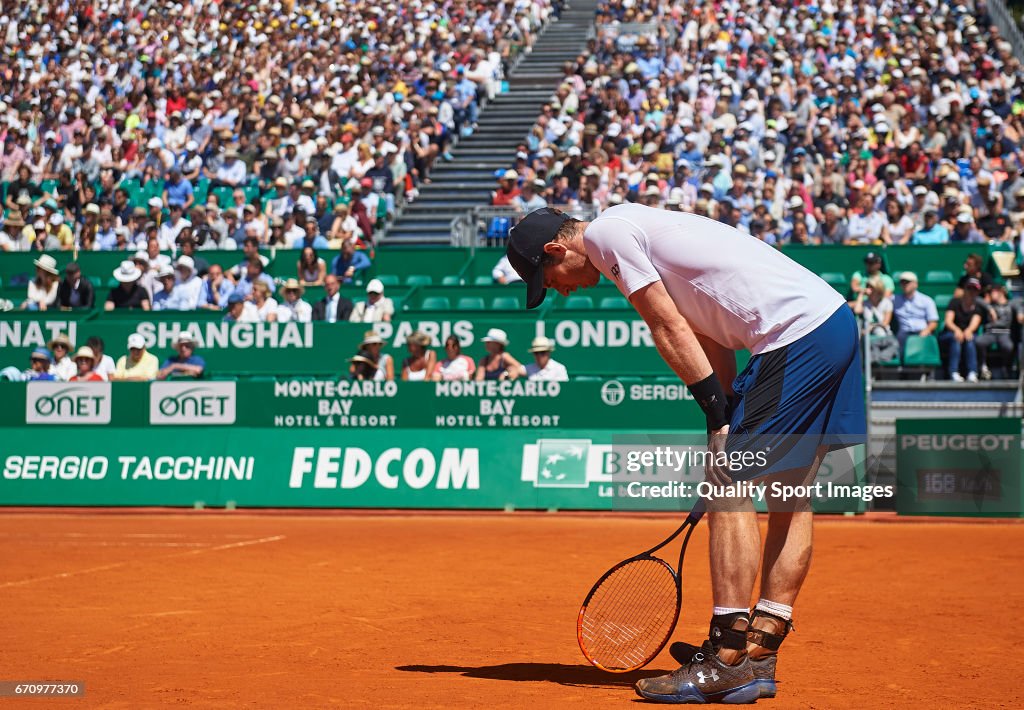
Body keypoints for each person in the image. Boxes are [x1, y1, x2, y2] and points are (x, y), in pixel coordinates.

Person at [505, 205, 864, 703]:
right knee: (789, 493)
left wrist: (720, 419)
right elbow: (706, 334)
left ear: (555, 250)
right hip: (830, 322)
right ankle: (759, 651)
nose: (560, 290)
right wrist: (720, 411)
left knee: (730, 489)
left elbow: (665, 325)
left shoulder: (609, 234)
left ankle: (726, 655)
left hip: (792, 336)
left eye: (550, 279)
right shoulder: (637, 228)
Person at [940, 278, 985, 382]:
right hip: (949, 334)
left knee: (970, 339)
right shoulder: (954, 302)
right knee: (956, 338)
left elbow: (974, 324)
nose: (971, 291)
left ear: (978, 291)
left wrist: (968, 331)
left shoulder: (978, 307)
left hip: (967, 335)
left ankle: (972, 372)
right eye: (969, 288)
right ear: (964, 289)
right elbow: (948, 321)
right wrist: (957, 330)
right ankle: (953, 372)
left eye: (974, 289)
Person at [976, 285, 1023, 379]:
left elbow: (1020, 304)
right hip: (990, 332)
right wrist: (989, 308)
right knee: (979, 341)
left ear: (1001, 292)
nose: (989, 294)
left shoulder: (1011, 303)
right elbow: (976, 299)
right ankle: (983, 367)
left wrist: (1020, 313)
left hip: (1005, 332)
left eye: (992, 291)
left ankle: (1006, 367)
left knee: (1008, 346)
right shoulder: (990, 305)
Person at [892, 272, 939, 354]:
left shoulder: (927, 300)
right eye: (902, 282)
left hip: (921, 334)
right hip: (903, 335)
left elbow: (933, 322)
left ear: (915, 284)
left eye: (907, 282)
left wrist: (925, 331)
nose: (905, 285)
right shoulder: (894, 299)